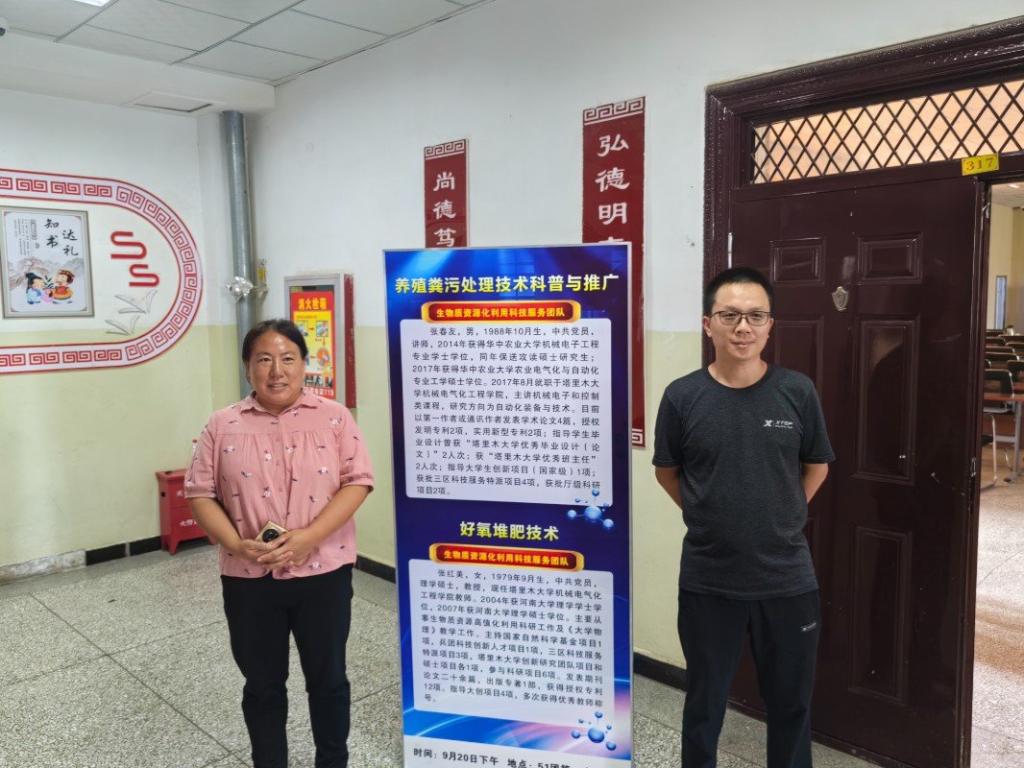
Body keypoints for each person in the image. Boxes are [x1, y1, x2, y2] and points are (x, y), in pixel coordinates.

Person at [652, 267, 833, 768]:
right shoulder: (682, 396)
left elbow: (817, 465)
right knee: (704, 704)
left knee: (792, 706)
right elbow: (667, 472)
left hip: (787, 579)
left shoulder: (797, 391)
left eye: (755, 316)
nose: (742, 327)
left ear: (770, 325)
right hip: (709, 580)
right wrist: (708, 515)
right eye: (729, 315)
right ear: (707, 324)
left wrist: (783, 514)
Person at [185, 319, 373, 768]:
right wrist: (235, 544)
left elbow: (358, 482)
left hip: (323, 573)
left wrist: (310, 537)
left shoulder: (334, 417)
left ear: (305, 364)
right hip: (249, 578)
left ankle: (333, 762)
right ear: (247, 367)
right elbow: (200, 493)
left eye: (288, 358)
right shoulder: (222, 424)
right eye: (263, 360)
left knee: (329, 681)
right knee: (263, 685)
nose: (276, 371)